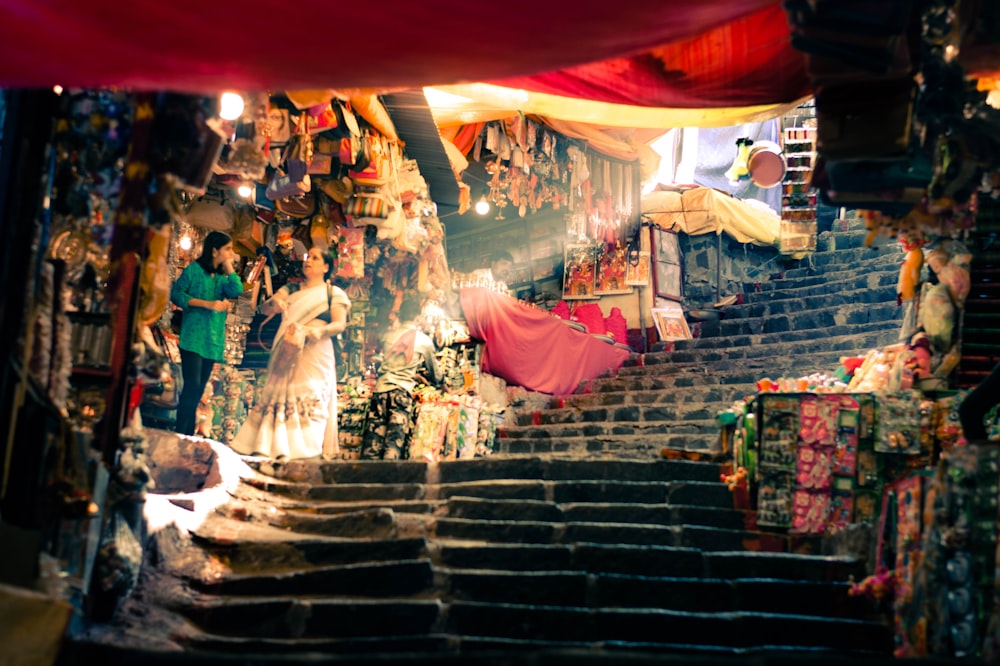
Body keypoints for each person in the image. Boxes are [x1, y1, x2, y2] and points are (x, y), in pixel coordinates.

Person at [231, 248, 350, 460]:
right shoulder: (291, 288)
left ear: (326, 267)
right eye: (307, 256)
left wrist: (320, 331)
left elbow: (339, 324)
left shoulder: (334, 294)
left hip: (315, 353)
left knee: (313, 398)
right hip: (286, 350)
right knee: (281, 397)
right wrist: (274, 303)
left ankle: (307, 450)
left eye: (315, 258)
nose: (308, 261)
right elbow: (267, 308)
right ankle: (275, 447)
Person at [170, 231, 243, 436]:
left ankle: (188, 435)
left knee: (199, 390)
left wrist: (228, 266)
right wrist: (207, 304)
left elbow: (236, 289)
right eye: (227, 248)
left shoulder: (222, 278)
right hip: (193, 338)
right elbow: (176, 294)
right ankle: (181, 432)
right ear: (214, 250)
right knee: (191, 387)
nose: (231, 252)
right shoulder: (194, 270)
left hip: (213, 341)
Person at [361, 296, 441, 461]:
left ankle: (368, 480)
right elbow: (436, 374)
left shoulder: (387, 335)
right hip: (401, 393)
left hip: (381, 391)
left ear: (400, 315)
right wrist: (439, 382)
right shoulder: (424, 341)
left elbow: (390, 362)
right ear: (418, 317)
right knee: (393, 443)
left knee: (374, 440)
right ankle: (390, 483)